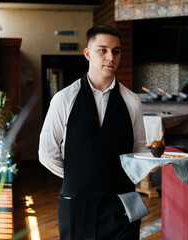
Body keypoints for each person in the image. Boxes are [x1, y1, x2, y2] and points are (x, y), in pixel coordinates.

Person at [38, 24, 146, 239]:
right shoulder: (64, 99)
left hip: (121, 203)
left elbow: (139, 148)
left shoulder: (132, 100)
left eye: (116, 51)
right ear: (88, 53)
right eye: (103, 50)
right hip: (78, 202)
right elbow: (47, 154)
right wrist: (79, 178)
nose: (110, 57)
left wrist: (150, 162)